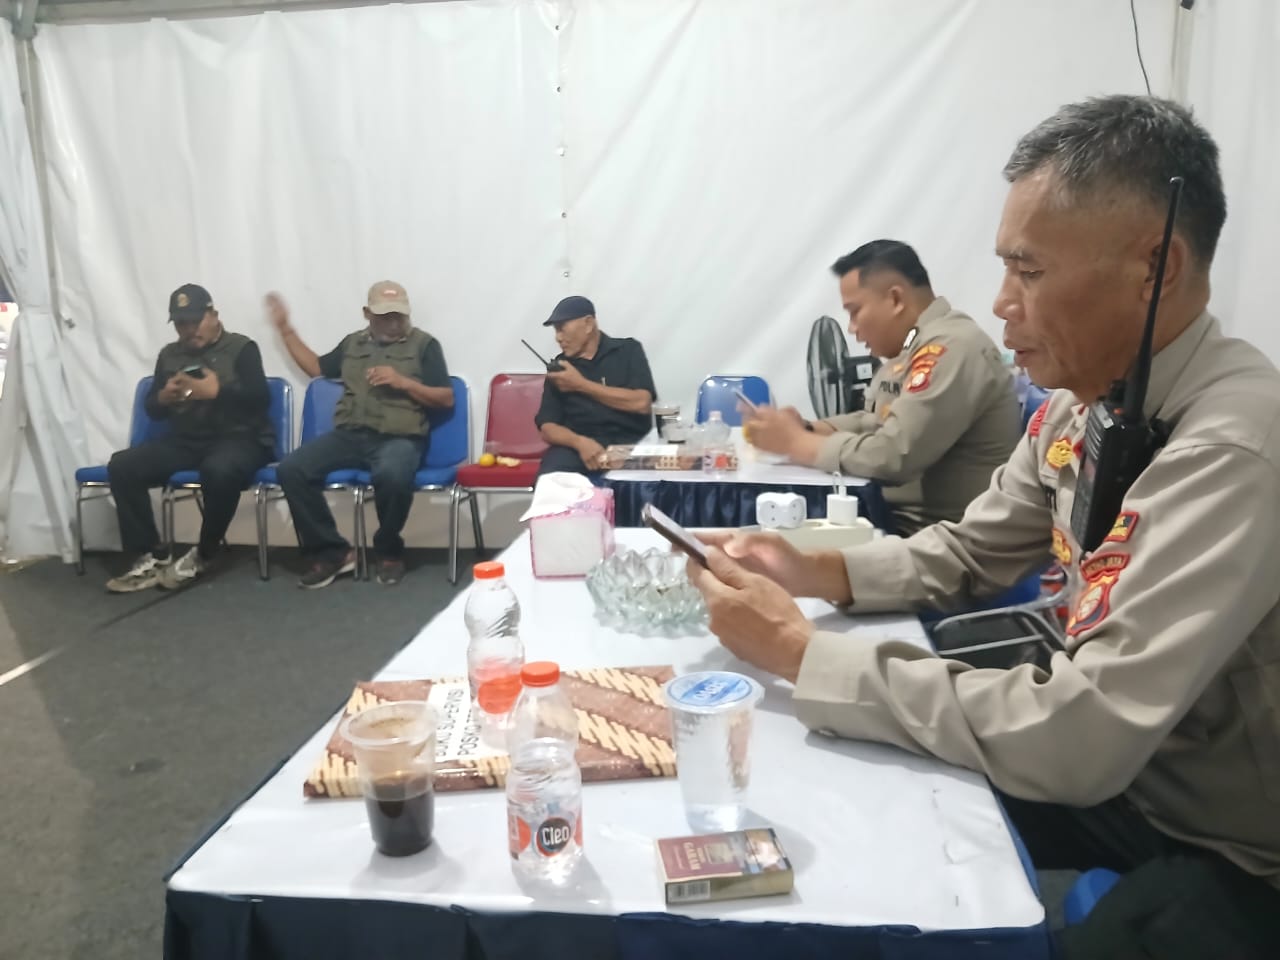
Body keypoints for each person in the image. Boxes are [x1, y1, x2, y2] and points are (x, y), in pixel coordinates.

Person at [686, 95, 1280, 958]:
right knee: (873, 812)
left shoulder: (1232, 446)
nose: (1001, 303)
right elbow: (971, 548)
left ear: (1156, 268)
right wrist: (813, 571)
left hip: (1234, 842)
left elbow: (1084, 733)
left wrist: (804, 654)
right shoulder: (1085, 403)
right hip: (1136, 778)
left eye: (1028, 272)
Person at [744, 241, 1020, 535]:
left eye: (855, 311)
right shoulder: (911, 348)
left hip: (939, 538)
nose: (851, 328)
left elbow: (892, 456)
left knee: (769, 542)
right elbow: (873, 420)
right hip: (898, 523)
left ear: (895, 299)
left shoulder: (951, 348)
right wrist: (809, 429)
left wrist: (796, 443)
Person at [269, 282, 453, 588]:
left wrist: (403, 383)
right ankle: (333, 552)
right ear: (367, 313)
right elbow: (316, 367)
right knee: (291, 469)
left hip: (400, 437)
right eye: (385, 316)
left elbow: (446, 398)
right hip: (351, 435)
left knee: (393, 474)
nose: (393, 322)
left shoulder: (424, 345)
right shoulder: (352, 344)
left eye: (399, 315)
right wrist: (286, 330)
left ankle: (389, 550)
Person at [105, 284, 273, 592]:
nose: (189, 329)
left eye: (195, 321)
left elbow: (260, 398)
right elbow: (153, 409)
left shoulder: (242, 348)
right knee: (122, 466)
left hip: (240, 438)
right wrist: (163, 398)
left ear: (214, 315)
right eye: (182, 323)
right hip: (187, 440)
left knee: (219, 470)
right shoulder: (170, 355)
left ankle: (204, 553)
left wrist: (218, 392)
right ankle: (151, 555)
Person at [533, 296, 656, 476]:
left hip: (629, 445)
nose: (558, 338)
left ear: (588, 324)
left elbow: (641, 403)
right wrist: (579, 443)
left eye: (561, 329)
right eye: (555, 331)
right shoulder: (561, 368)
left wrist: (580, 385)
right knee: (550, 478)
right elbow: (547, 427)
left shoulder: (628, 351)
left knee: (658, 480)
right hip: (578, 448)